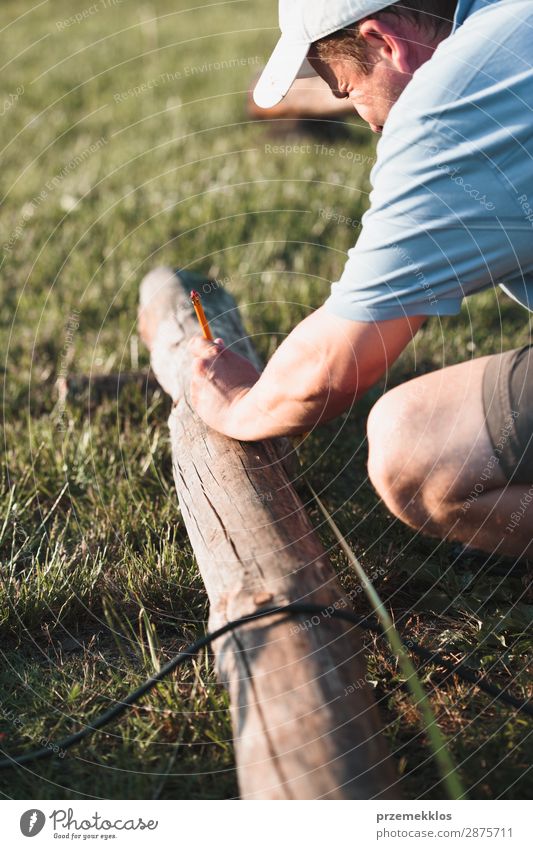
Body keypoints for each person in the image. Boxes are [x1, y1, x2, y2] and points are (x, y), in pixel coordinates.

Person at [189, 0, 533, 559]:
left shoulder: (448, 105)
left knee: (412, 443)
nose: (368, 123)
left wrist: (233, 406)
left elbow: (335, 366)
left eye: (347, 90)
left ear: (386, 42)